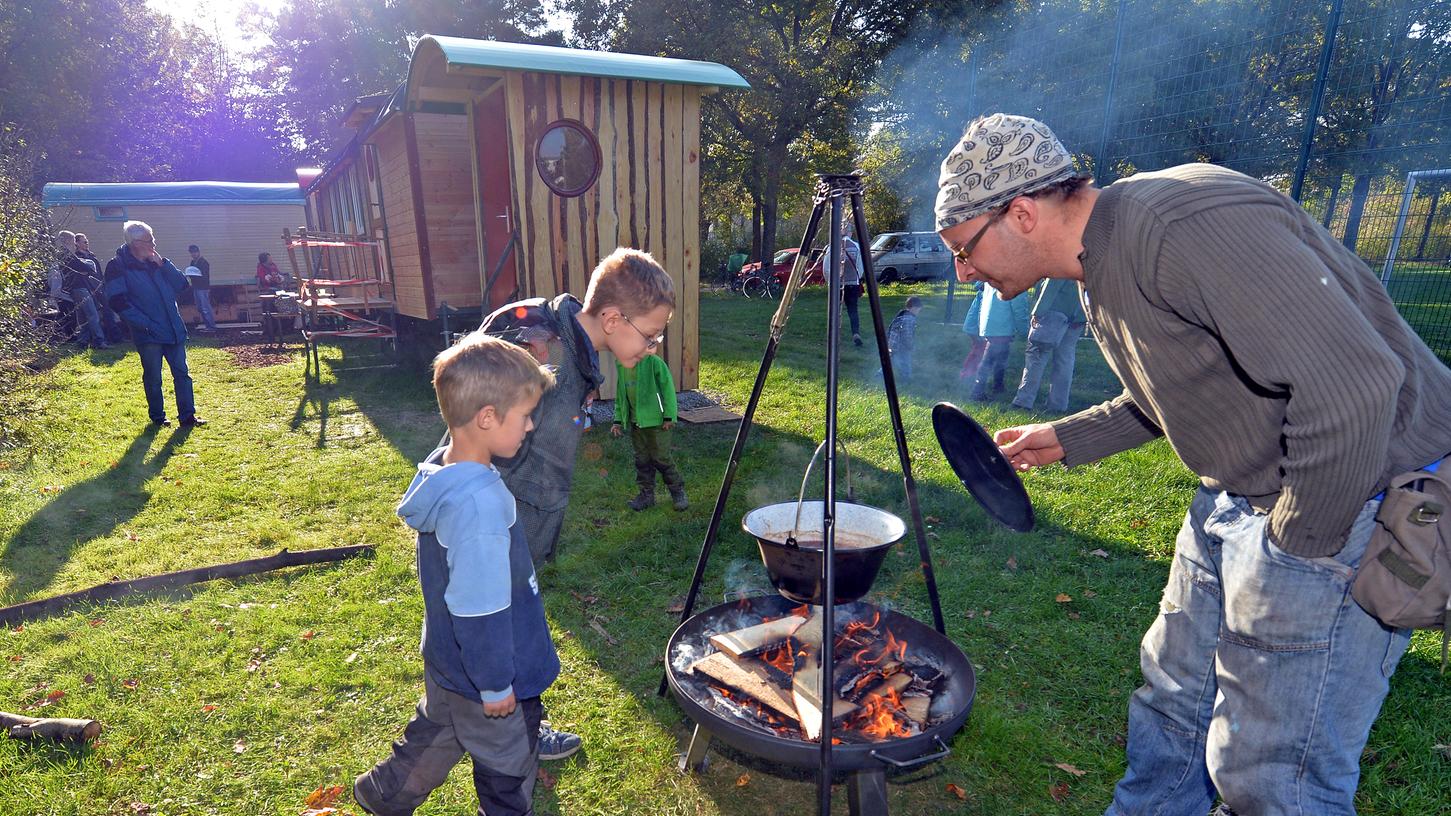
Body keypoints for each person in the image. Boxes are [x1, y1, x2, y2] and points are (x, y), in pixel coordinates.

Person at [935, 113, 1451, 815]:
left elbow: (1354, 386)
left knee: (1273, 777)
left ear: (1020, 213)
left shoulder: (1179, 226)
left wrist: (1294, 546)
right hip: (1232, 504)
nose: (962, 270)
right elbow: (1190, 378)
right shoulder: (1098, 259)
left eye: (963, 249)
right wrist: (1066, 436)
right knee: (1172, 715)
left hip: (1346, 502)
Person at [478, 245, 675, 760]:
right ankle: (506, 740)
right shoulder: (547, 358)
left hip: (519, 516)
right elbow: (484, 442)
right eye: (651, 335)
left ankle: (510, 728)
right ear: (613, 319)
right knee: (505, 635)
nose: (654, 347)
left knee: (515, 633)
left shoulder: (570, 345)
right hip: (497, 524)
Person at [354, 334, 559, 816]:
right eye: (525, 415)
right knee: (506, 762)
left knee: (441, 729)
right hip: (488, 669)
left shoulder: (442, 472)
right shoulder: (479, 506)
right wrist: (495, 685)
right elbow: (480, 609)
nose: (530, 426)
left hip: (447, 658)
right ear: (487, 418)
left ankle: (385, 794)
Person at [104, 221, 205, 428]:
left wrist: (164, 265)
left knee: (182, 374)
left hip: (172, 328)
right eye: (149, 240)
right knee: (153, 377)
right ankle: (158, 418)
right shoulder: (117, 266)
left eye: (153, 238)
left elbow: (183, 286)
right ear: (135, 243)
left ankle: (187, 416)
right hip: (148, 333)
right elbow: (117, 301)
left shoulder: (157, 262)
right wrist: (145, 324)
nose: (154, 244)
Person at [612, 348, 687, 511]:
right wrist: (618, 419)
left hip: (658, 423)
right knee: (642, 459)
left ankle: (677, 491)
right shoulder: (622, 365)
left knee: (661, 458)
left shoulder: (654, 363)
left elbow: (668, 390)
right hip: (636, 423)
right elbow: (620, 396)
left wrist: (669, 416)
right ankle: (646, 495)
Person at [1011, 277, 1086, 413]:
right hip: (1078, 317)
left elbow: (1053, 283)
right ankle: (1058, 405)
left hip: (1053, 313)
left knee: (1036, 357)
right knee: (1065, 361)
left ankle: (1023, 401)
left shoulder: (1062, 257)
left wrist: (1038, 312)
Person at [969, 282, 1028, 401]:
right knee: (989, 360)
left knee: (1000, 357)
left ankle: (998, 386)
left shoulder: (995, 272)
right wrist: (1024, 330)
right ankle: (977, 391)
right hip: (1002, 325)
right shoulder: (1016, 279)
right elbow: (1019, 308)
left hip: (991, 322)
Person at [55, 231, 109, 350]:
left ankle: (82, 341)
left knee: (83, 316)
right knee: (93, 314)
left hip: (75, 288)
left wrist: (84, 269)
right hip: (79, 287)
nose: (75, 243)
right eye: (73, 240)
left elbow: (81, 267)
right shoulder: (66, 254)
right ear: (68, 240)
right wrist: (86, 269)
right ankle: (99, 341)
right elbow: (81, 266)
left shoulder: (64, 254)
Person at [820, 223, 865, 346]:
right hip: (852, 283)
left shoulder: (832, 247)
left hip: (836, 284)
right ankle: (855, 333)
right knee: (853, 310)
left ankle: (832, 336)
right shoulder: (857, 247)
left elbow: (826, 268)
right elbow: (860, 268)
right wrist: (857, 278)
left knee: (834, 310)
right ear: (850, 233)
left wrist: (830, 280)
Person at [75, 232, 124, 343]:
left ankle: (115, 337)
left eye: (87, 241)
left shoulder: (91, 255)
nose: (87, 244)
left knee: (108, 310)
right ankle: (93, 339)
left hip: (99, 286)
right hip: (89, 287)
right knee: (93, 314)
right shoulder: (78, 258)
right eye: (84, 242)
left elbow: (98, 273)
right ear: (77, 243)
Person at [886, 296, 924, 381]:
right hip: (901, 347)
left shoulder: (900, 315)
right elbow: (907, 334)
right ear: (914, 308)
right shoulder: (909, 319)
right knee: (905, 363)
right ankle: (906, 380)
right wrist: (910, 346)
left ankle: (879, 376)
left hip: (892, 344)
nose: (918, 312)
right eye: (918, 310)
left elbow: (890, 329)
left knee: (890, 363)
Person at [958, 283, 987, 382]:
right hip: (976, 328)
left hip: (971, 327)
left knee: (976, 350)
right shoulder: (985, 295)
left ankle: (967, 374)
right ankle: (968, 376)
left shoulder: (980, 293)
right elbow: (981, 314)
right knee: (978, 352)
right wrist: (982, 331)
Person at [186, 244, 217, 332]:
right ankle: (208, 326)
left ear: (198, 252)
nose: (193, 254)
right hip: (196, 287)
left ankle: (211, 326)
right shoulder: (192, 263)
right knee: (200, 307)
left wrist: (195, 277)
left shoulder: (204, 262)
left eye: (195, 252)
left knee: (205, 307)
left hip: (203, 288)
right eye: (192, 252)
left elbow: (204, 276)